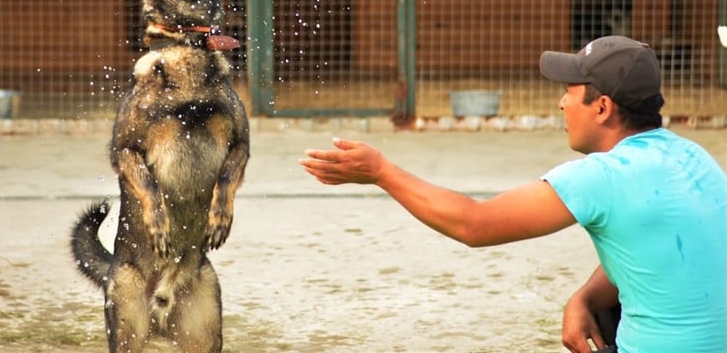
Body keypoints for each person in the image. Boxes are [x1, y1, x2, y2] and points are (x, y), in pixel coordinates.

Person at [300, 36, 726, 353]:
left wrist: (381, 172)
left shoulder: (602, 176)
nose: (561, 103)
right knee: (606, 311)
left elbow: (474, 224)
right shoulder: (692, 156)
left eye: (570, 91)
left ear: (602, 107)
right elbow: (655, 252)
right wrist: (585, 298)